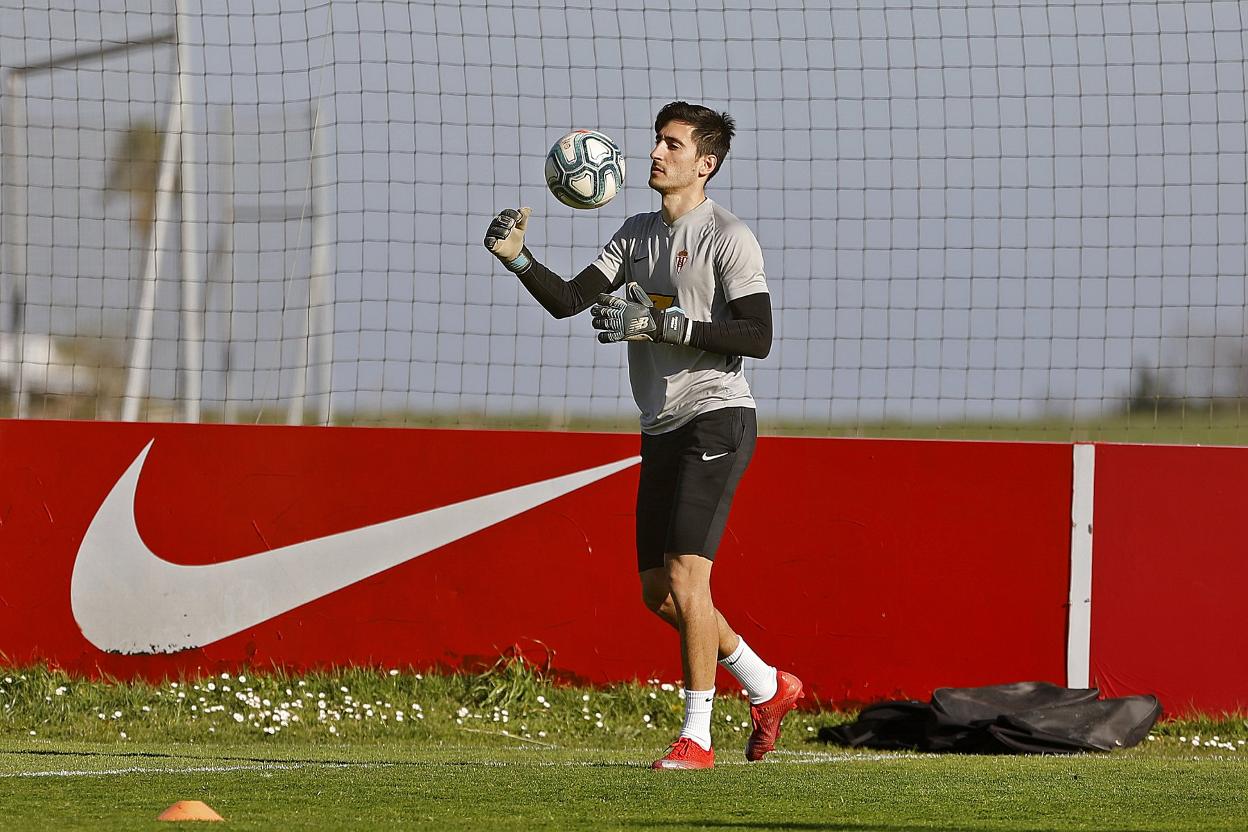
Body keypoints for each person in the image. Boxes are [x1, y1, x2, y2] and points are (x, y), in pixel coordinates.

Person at [483, 101, 802, 770]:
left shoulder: (728, 236)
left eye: (672, 144)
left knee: (690, 578)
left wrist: (668, 327)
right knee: (659, 594)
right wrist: (518, 259)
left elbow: (759, 335)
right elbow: (571, 299)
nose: (656, 153)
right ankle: (768, 686)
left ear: (704, 163)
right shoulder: (634, 233)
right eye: (657, 141)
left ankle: (698, 738)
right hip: (661, 426)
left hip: (719, 415)